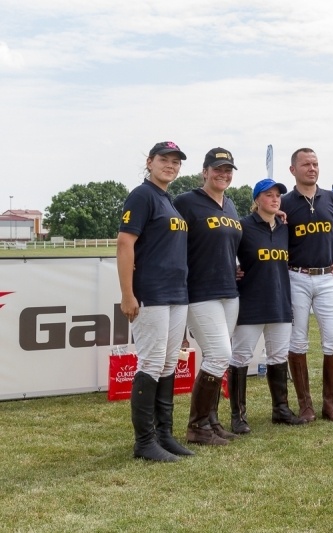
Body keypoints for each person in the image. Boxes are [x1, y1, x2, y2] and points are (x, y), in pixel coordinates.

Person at [117, 141, 192, 462]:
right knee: (150, 363)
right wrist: (128, 294)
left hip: (177, 294)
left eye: (176, 162)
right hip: (151, 293)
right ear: (150, 162)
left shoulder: (168, 199)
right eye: (164, 159)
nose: (171, 165)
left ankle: (164, 435)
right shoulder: (142, 194)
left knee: (166, 363)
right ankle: (144, 442)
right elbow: (124, 243)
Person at [283, 148, 333, 423]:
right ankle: (305, 404)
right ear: (293, 170)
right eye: (306, 164)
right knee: (298, 340)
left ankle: (330, 403)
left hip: (328, 276)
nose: (312, 168)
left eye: (315, 164)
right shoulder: (284, 202)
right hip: (297, 276)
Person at [175, 147, 243, 446]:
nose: (223, 174)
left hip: (229, 291)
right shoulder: (186, 202)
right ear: (204, 171)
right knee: (219, 355)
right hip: (200, 291)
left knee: (218, 358)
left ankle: (212, 421)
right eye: (217, 169)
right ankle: (196, 426)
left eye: (228, 169)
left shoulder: (230, 205)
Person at [228, 178, 306, 431]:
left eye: (277, 195)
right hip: (250, 302)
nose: (274, 199)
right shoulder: (243, 226)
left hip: (280, 302)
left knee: (278, 356)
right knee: (240, 357)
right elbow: (224, 252)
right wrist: (233, 270)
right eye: (268, 195)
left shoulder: (285, 226)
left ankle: (280, 410)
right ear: (257, 199)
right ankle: (238, 416)